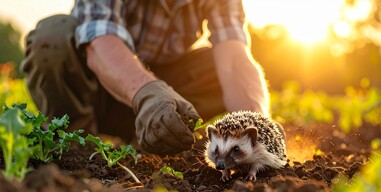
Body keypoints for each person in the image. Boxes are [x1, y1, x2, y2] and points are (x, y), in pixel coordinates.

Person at [21, 0, 270, 155]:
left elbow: (235, 60)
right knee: (52, 38)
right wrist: (148, 92)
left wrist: (257, 129)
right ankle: (76, 146)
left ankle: (156, 137)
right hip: (96, 93)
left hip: (165, 93)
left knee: (214, 65)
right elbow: (100, 42)